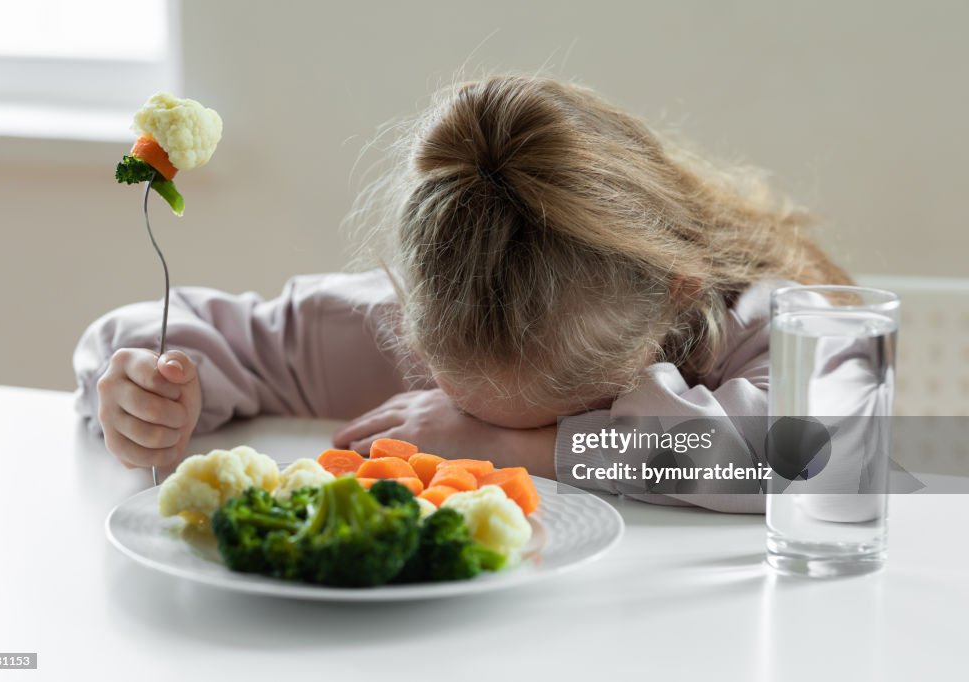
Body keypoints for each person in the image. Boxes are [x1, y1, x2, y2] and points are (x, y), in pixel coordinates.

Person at [73, 74, 850, 513]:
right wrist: (146, 386)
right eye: (472, 407)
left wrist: (518, 450)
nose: (476, 428)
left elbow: (816, 458)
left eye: (575, 408)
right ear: (410, 318)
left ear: (673, 302)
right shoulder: (387, 328)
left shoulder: (753, 320)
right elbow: (163, 332)